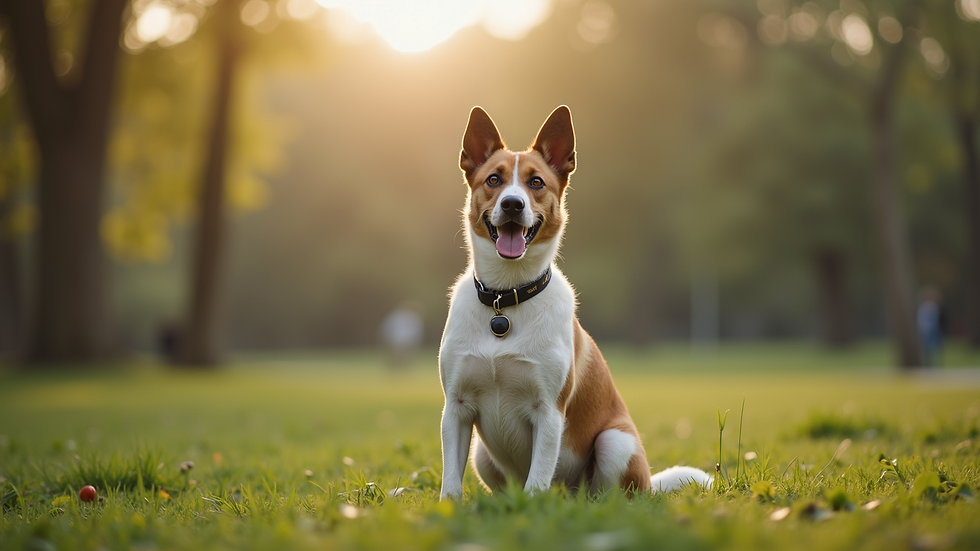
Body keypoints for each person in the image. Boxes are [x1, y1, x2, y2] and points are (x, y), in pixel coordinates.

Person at [381, 303, 424, 369]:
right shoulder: (395, 316)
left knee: (405, 356)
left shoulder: (413, 317)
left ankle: (403, 368)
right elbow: (389, 327)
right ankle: (395, 368)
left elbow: (416, 330)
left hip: (407, 341)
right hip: (396, 340)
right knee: (395, 356)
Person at [917, 287, 943, 367]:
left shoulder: (928, 307)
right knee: (930, 349)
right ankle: (930, 365)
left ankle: (930, 365)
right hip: (929, 330)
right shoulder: (929, 307)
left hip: (929, 331)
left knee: (929, 349)